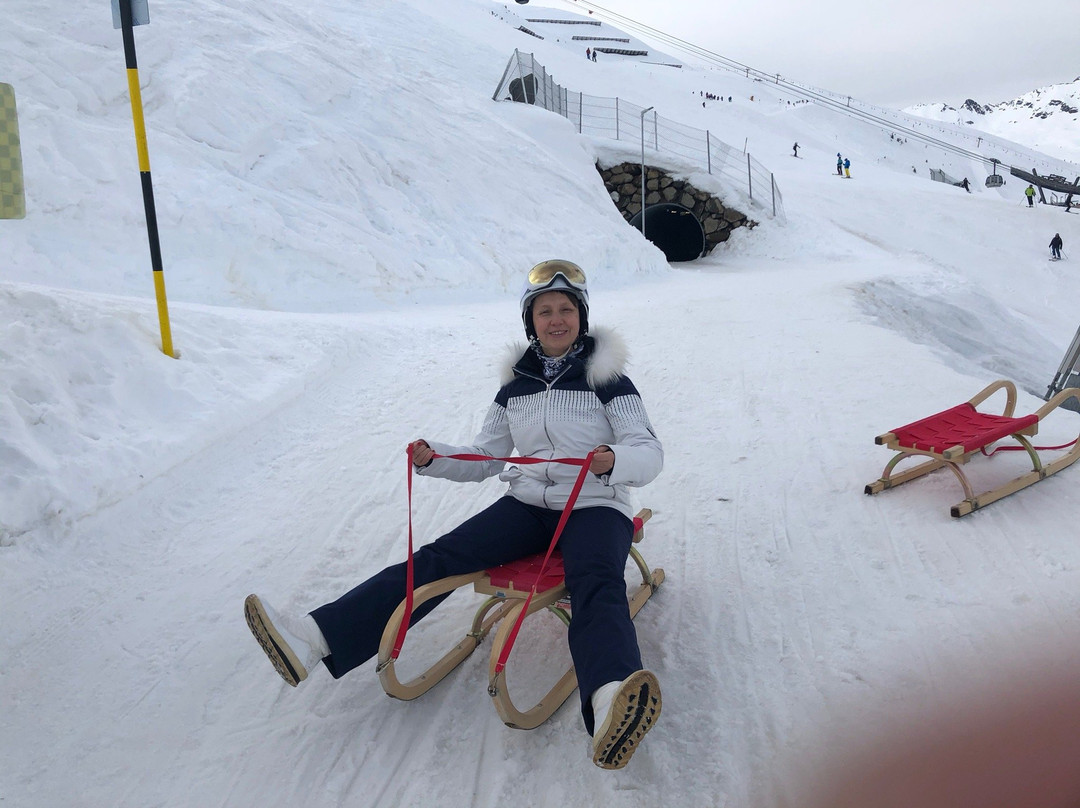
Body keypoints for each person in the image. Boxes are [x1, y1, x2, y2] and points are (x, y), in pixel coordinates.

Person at [244, 260, 665, 770]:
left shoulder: (609, 378)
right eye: (544, 311)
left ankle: (609, 699)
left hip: (595, 505)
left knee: (595, 579)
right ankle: (313, 639)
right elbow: (486, 454)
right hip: (529, 505)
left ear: (582, 315)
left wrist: (614, 461)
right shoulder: (516, 387)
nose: (556, 320)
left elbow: (648, 451)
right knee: (439, 557)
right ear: (529, 322)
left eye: (566, 310)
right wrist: (434, 457)